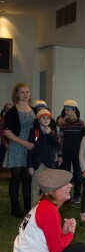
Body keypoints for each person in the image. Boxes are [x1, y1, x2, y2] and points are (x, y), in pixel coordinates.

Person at [12, 169, 85, 252]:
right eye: (65, 184)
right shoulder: (49, 210)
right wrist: (70, 234)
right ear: (53, 191)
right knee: (81, 250)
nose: (70, 185)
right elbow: (55, 249)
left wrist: (63, 232)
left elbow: (47, 242)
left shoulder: (44, 205)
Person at [4, 83, 36, 217]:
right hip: (17, 146)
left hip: (29, 148)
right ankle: (15, 208)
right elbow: (6, 132)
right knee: (16, 178)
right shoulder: (12, 111)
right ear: (16, 94)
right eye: (22, 92)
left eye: (27, 92)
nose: (25, 94)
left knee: (27, 178)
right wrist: (23, 142)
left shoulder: (34, 110)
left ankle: (28, 207)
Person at [27, 109, 61, 207]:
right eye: (43, 118)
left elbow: (57, 145)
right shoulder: (34, 132)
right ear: (38, 120)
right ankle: (33, 212)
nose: (46, 120)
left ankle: (48, 210)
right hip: (37, 164)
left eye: (48, 118)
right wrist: (30, 165)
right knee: (35, 189)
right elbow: (30, 149)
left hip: (50, 164)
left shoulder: (53, 131)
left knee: (49, 190)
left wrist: (50, 133)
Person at [58, 100, 84, 203]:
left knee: (78, 175)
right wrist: (60, 154)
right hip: (66, 153)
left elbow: (84, 141)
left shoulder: (81, 124)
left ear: (74, 110)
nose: (66, 112)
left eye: (68, 110)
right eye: (65, 110)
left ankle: (77, 196)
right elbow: (60, 140)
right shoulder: (63, 124)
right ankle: (66, 196)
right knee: (66, 176)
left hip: (78, 154)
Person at [0, 102, 13, 167]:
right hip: (4, 141)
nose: (9, 110)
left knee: (12, 159)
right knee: (1, 158)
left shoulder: (15, 119)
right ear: (4, 110)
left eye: (10, 108)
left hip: (14, 141)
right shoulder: (2, 120)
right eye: (7, 108)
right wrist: (5, 143)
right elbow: (2, 133)